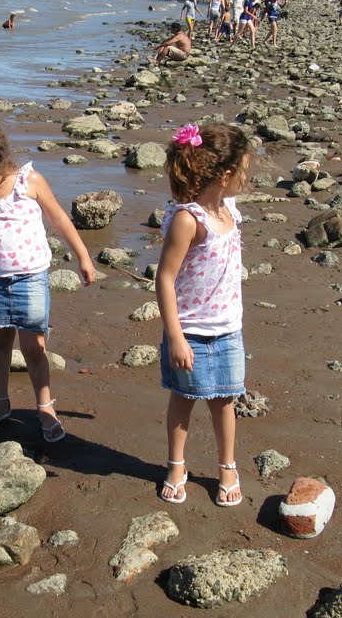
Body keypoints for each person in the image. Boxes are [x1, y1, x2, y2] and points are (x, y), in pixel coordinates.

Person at [0, 107, 95, 441]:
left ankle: (45, 406)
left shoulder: (29, 182)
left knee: (34, 348)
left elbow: (60, 219)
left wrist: (83, 256)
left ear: (0, 163)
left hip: (31, 279)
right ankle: (0, 403)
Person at [155, 122, 251, 506]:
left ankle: (227, 466)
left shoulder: (229, 208)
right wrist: (175, 336)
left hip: (228, 328)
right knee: (183, 398)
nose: (248, 177)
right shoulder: (188, 219)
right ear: (225, 177)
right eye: (244, 171)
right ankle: (176, 464)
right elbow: (164, 278)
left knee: (225, 400)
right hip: (190, 330)